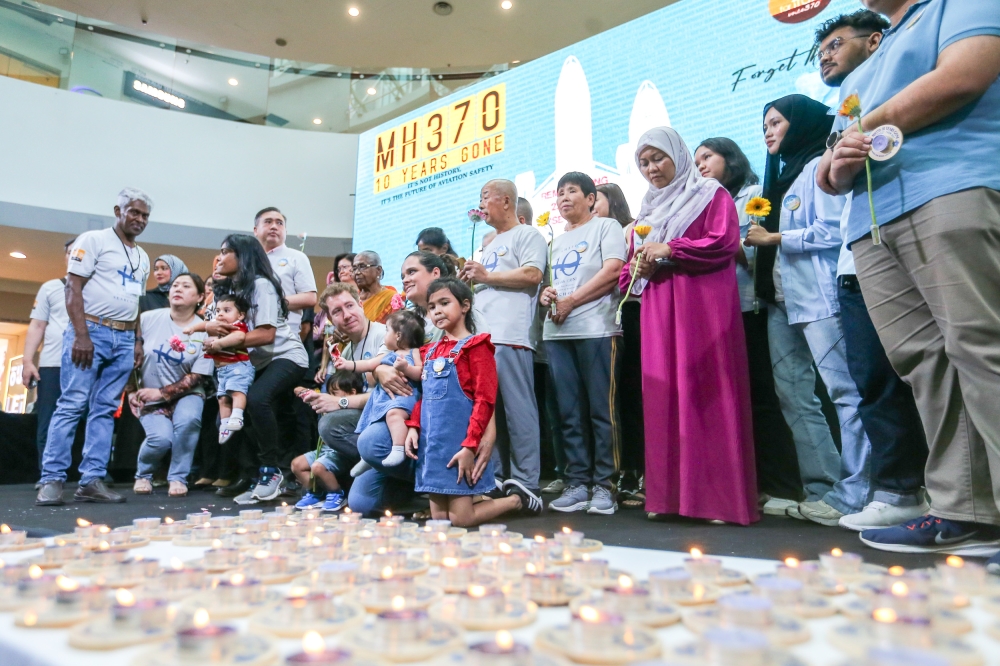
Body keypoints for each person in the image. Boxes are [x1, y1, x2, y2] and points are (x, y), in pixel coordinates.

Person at [818, 0, 1000, 558]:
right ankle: (964, 508)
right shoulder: (861, 73)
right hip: (872, 223)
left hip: (951, 186)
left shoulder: (956, 5)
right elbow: (828, 169)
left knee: (982, 347)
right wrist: (837, 161)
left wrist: (862, 129)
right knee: (925, 364)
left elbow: (966, 73)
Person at [813, 10, 929, 532]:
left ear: (876, 40)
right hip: (856, 255)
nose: (826, 57)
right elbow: (829, 178)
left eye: (836, 45)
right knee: (875, 380)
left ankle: (953, 490)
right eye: (821, 51)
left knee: (937, 368)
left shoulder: (904, 77)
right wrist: (835, 159)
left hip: (912, 228)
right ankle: (900, 489)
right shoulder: (846, 106)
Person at [618, 129, 758, 525]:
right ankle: (669, 498)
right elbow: (628, 271)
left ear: (677, 155)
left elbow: (724, 242)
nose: (651, 169)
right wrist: (638, 267)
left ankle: (718, 501)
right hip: (659, 311)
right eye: (644, 163)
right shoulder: (647, 211)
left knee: (707, 393)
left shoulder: (710, 194)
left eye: (658, 158)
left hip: (702, 306)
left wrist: (671, 248)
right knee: (664, 397)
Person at [745, 94, 871, 527]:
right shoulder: (780, 179)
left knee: (845, 393)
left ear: (800, 124)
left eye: (776, 122)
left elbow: (835, 231)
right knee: (794, 397)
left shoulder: (821, 166)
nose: (768, 132)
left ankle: (861, 490)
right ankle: (824, 489)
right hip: (781, 301)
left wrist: (776, 239)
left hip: (820, 298)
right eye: (764, 125)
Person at [695, 138, 803, 512]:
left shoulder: (755, 196)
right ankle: (746, 482)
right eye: (696, 161)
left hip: (752, 305)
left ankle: (783, 485)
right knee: (732, 400)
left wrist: (726, 244)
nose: (701, 166)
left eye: (707, 157)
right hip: (719, 312)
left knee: (763, 396)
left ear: (731, 159)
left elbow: (760, 253)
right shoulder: (705, 203)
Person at [36, 187, 152, 506]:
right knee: (72, 403)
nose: (140, 219)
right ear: (118, 211)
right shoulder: (94, 240)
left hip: (124, 338)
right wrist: (81, 335)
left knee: (104, 409)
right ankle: (51, 479)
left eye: (145, 215)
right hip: (92, 331)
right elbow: (72, 288)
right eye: (134, 212)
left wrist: (137, 340)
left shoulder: (142, 256)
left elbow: (135, 301)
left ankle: (91, 481)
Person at [405, 277, 528, 526]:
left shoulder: (477, 347)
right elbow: (426, 395)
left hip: (459, 444)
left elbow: (485, 400)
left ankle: (515, 500)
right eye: (432, 306)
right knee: (440, 519)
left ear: (465, 306)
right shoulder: (430, 351)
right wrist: (413, 426)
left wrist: (471, 446)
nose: (437, 311)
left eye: (444, 303)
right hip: (434, 447)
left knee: (461, 519)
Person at [538, 172, 626, 515]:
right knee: (569, 413)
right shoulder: (556, 241)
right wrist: (547, 294)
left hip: (597, 329)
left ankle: (606, 486)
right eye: (559, 192)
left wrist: (572, 301)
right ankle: (577, 483)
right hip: (558, 333)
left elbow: (613, 271)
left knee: (601, 411)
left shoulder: (607, 227)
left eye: (571, 191)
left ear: (591, 198)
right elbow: (553, 283)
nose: (563, 198)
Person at [459, 179, 547, 515]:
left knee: (518, 410)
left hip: (511, 334)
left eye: (485, 197)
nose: (481, 205)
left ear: (506, 201)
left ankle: (527, 481)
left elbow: (532, 275)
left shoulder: (527, 234)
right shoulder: (491, 242)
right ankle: (493, 476)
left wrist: (485, 277)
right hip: (484, 337)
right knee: (487, 410)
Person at [208, 234, 309, 504]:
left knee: (256, 399)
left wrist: (225, 342)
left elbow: (266, 334)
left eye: (225, 251)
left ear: (242, 256)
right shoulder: (233, 289)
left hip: (287, 356)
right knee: (235, 416)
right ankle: (257, 475)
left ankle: (270, 472)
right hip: (258, 362)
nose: (220, 258)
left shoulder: (261, 285)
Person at [130, 273, 213, 497]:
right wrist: (130, 391)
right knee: (160, 440)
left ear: (200, 297)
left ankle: (178, 477)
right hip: (149, 393)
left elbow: (198, 375)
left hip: (188, 393)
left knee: (188, 421)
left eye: (186, 286)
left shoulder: (205, 329)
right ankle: (143, 474)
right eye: (175, 285)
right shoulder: (147, 319)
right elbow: (129, 356)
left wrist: (161, 393)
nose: (178, 289)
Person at [595, 182, 645, 508]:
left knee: (633, 395)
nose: (589, 206)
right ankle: (622, 470)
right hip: (604, 322)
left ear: (612, 202)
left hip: (631, 314)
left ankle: (637, 473)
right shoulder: (590, 234)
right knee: (616, 400)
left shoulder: (632, 230)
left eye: (595, 200)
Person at [339, 309, 424, 474]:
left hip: (403, 396)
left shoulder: (414, 352)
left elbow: (420, 373)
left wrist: (406, 368)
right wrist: (347, 364)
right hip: (382, 398)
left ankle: (398, 449)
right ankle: (366, 458)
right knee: (368, 421)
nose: (385, 335)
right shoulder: (390, 353)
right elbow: (368, 364)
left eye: (387, 330)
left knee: (394, 416)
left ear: (398, 336)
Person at [23, 238, 75, 470]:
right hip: (53, 365)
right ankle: (48, 474)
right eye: (70, 252)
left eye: (81, 252)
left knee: (84, 421)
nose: (75, 256)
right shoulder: (51, 287)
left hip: (88, 366)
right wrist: (27, 361)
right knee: (49, 421)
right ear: (65, 257)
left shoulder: (99, 290)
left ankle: (82, 476)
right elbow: (37, 326)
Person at [292, 369, 365, 512]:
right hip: (324, 449)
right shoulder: (326, 403)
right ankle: (316, 493)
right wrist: (304, 392)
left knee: (318, 467)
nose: (330, 397)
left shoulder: (355, 411)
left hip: (339, 451)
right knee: (297, 465)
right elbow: (298, 390)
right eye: (329, 393)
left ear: (352, 393)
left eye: (334, 393)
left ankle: (336, 493)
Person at [185, 294, 255, 442]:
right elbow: (205, 325)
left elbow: (239, 337)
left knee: (237, 392)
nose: (220, 314)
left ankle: (237, 416)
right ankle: (224, 424)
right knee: (222, 398)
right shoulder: (218, 325)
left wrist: (219, 343)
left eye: (226, 310)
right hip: (222, 372)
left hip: (238, 367)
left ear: (241, 315)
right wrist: (192, 328)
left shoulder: (236, 326)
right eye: (218, 311)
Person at [353, 251, 403, 325]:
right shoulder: (352, 298)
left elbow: (396, 328)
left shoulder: (390, 297)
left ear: (378, 270)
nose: (357, 272)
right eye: (354, 268)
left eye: (362, 267)